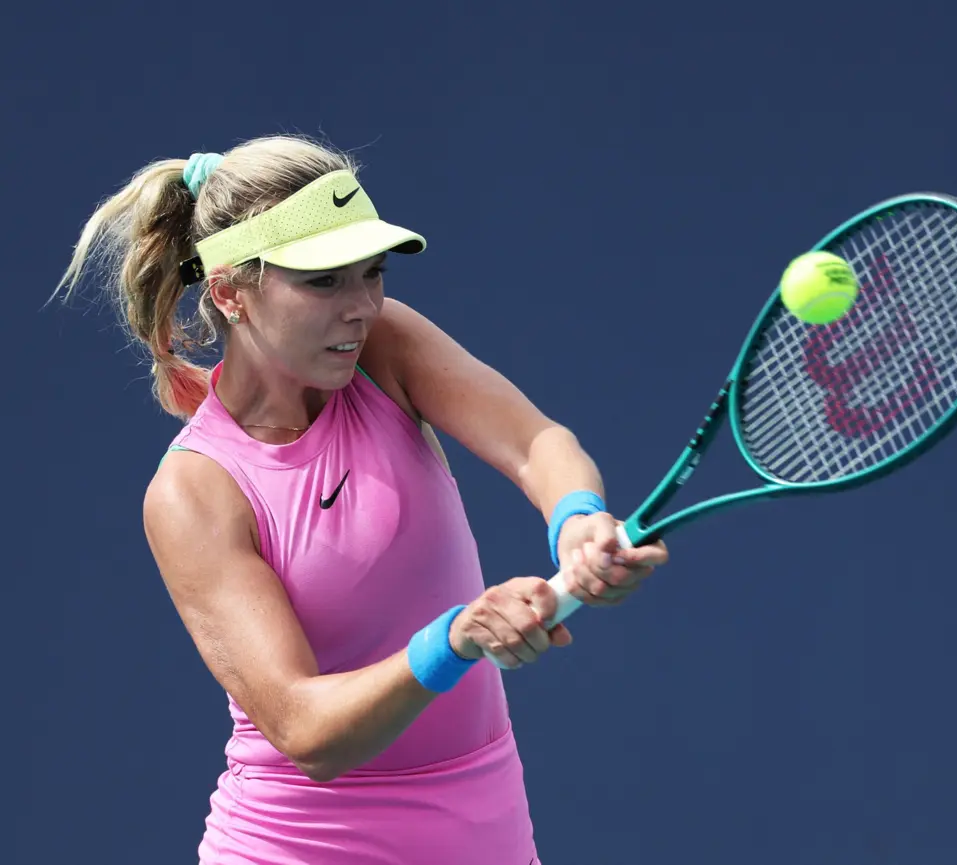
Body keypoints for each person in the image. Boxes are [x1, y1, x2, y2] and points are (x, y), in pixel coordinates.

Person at [54, 135, 669, 865]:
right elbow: (304, 728)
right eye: (323, 281)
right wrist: (457, 637)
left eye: (370, 273)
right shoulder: (194, 490)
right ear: (228, 292)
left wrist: (578, 519)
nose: (361, 306)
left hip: (487, 835)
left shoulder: (386, 347)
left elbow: (535, 441)